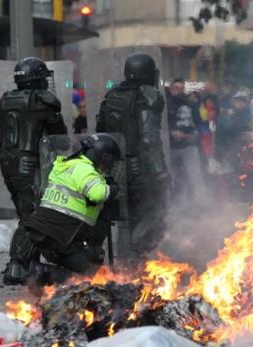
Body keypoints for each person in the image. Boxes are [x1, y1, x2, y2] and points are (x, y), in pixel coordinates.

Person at [0, 57, 68, 285]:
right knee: (34, 217)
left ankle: (27, 263)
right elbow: (60, 136)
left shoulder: (6, 100)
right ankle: (17, 265)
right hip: (29, 165)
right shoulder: (43, 101)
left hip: (8, 165)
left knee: (26, 214)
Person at [96, 53, 168, 258]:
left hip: (115, 169)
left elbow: (101, 132)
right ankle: (138, 256)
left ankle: (126, 263)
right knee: (154, 212)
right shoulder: (148, 97)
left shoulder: (111, 96)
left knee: (126, 218)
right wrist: (160, 172)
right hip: (141, 170)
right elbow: (149, 139)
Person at [23, 133, 121, 282]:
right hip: (60, 234)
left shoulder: (67, 165)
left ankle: (45, 276)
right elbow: (97, 193)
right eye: (110, 161)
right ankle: (43, 273)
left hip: (42, 231)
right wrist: (112, 189)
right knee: (91, 275)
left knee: (87, 263)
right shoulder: (85, 169)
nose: (110, 166)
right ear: (102, 157)